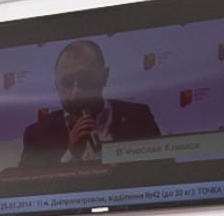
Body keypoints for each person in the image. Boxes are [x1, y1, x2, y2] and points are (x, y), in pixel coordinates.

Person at [16, 40, 162, 167]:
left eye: (85, 79)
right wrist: (71, 155)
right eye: (67, 82)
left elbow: (162, 171)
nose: (77, 90)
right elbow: (29, 185)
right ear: (57, 86)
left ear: (104, 76)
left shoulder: (139, 117)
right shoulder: (37, 135)